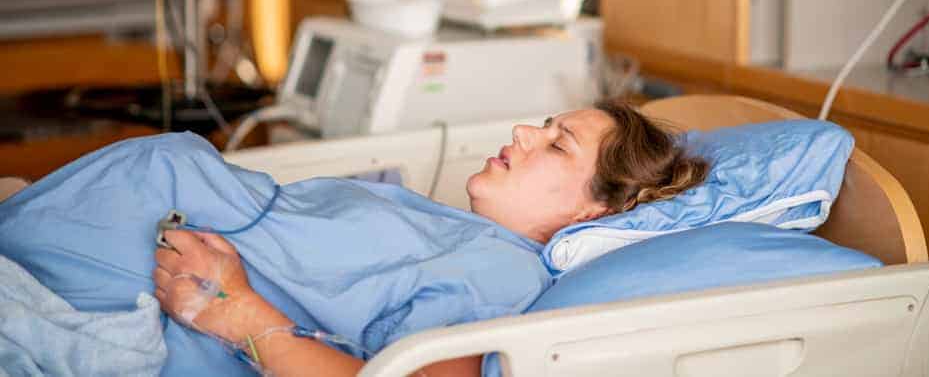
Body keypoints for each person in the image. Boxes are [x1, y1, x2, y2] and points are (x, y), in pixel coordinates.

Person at [151, 100, 709, 376]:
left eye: (557, 145)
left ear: (593, 213)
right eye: (544, 126)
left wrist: (238, 314)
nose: (523, 132)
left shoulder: (504, 276)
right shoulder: (465, 238)